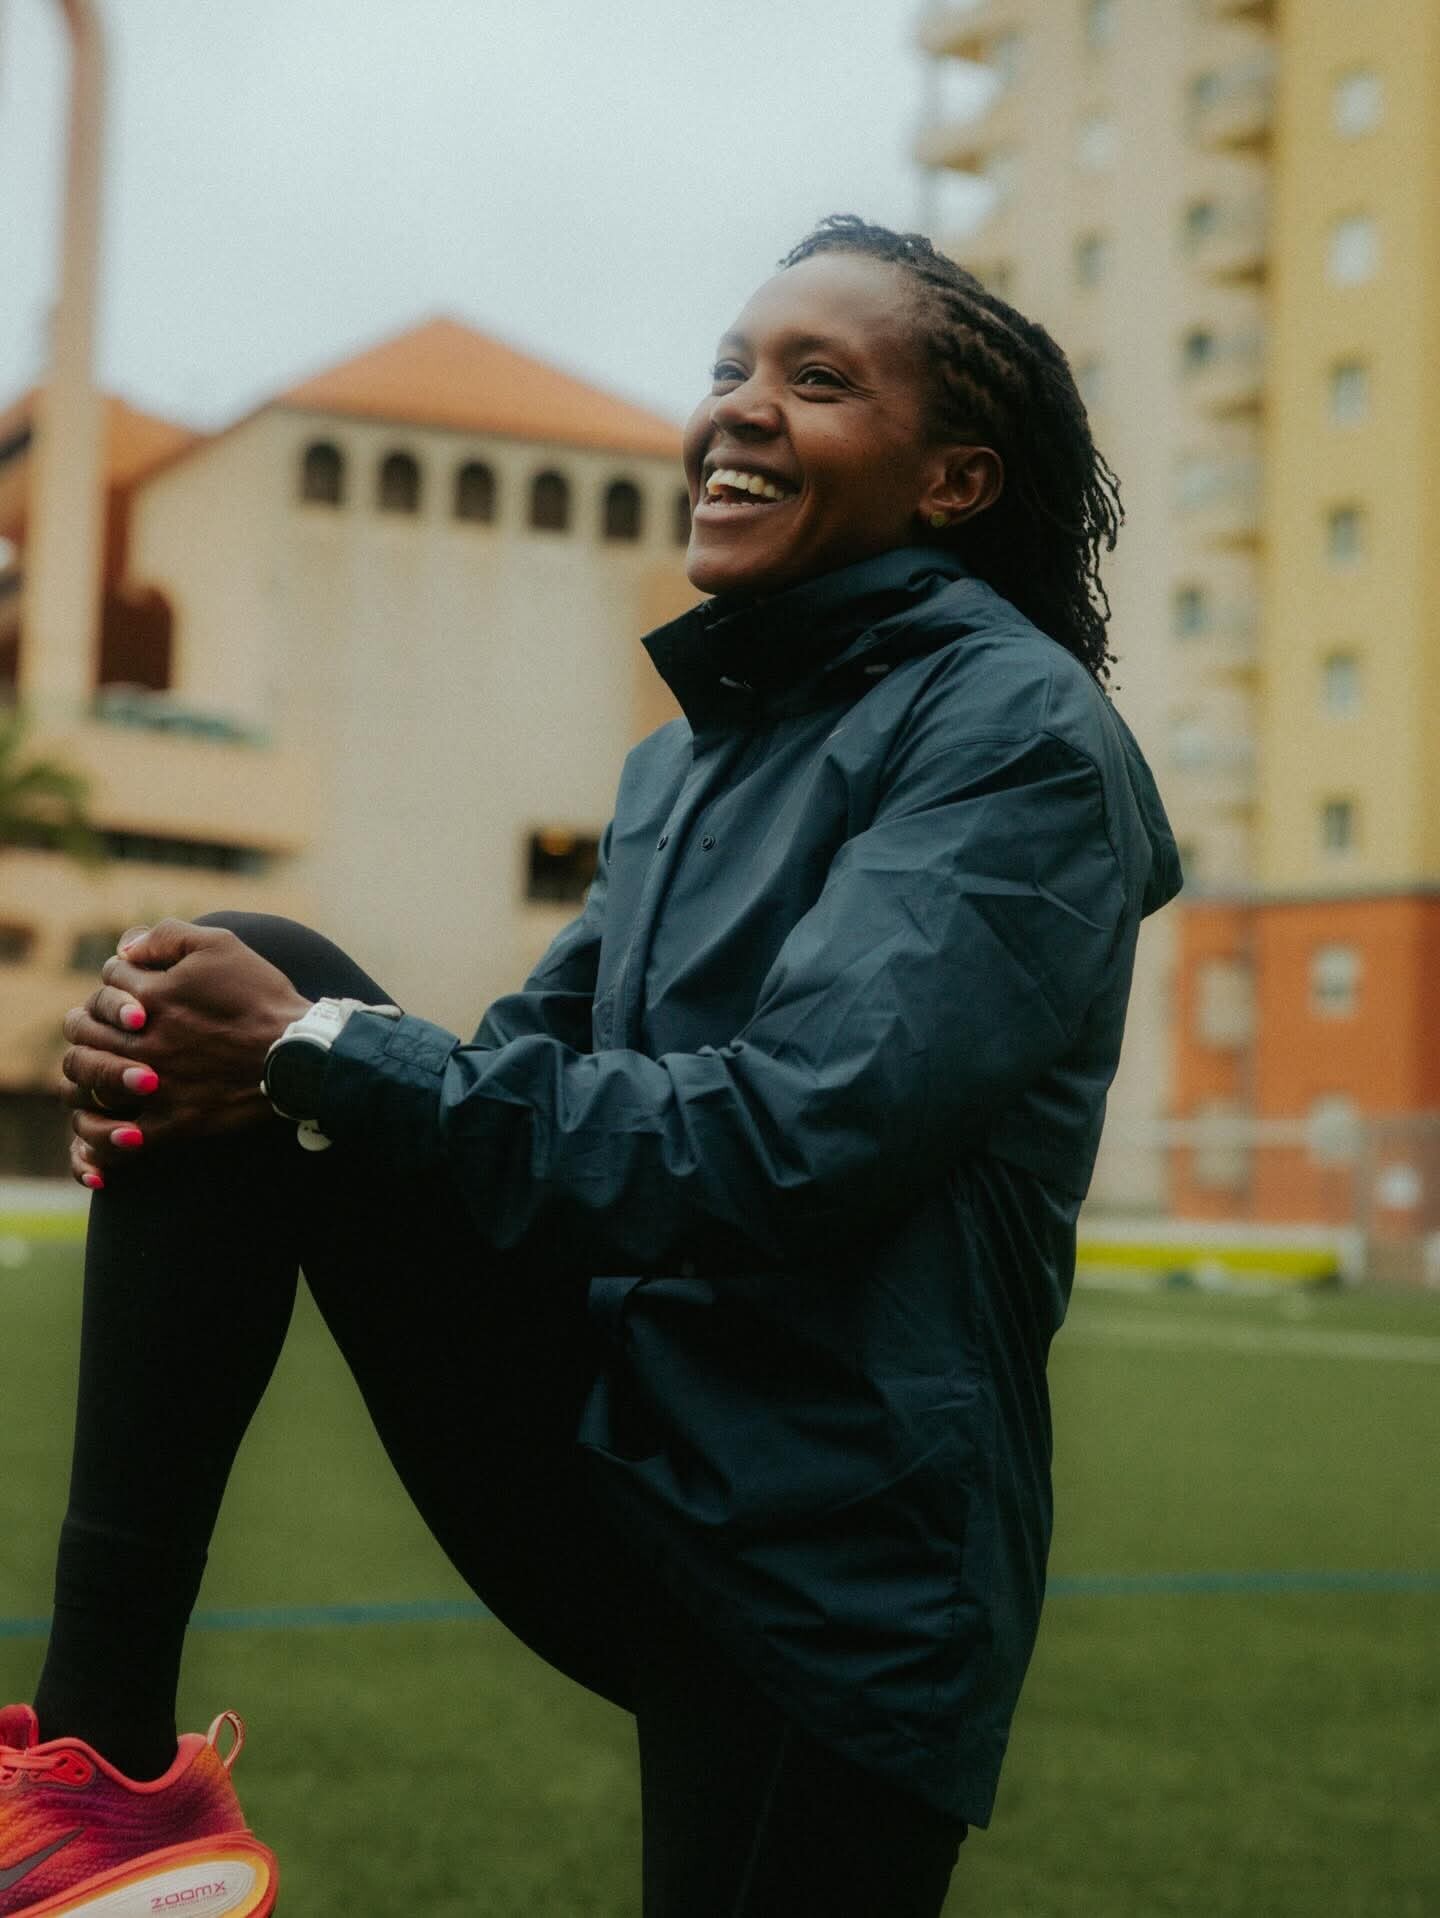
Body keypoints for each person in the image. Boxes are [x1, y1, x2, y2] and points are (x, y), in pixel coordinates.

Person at [1, 215, 1181, 1918]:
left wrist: (308, 1048)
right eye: (729, 368)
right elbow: (501, 1087)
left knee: (298, 1025)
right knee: (228, 986)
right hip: (627, 1442)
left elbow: (792, 1140)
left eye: (817, 379)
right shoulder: (686, 764)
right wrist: (226, 1066)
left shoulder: (1020, 736)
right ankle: (103, 1791)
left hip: (828, 1555)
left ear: (954, 480)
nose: (740, 407)